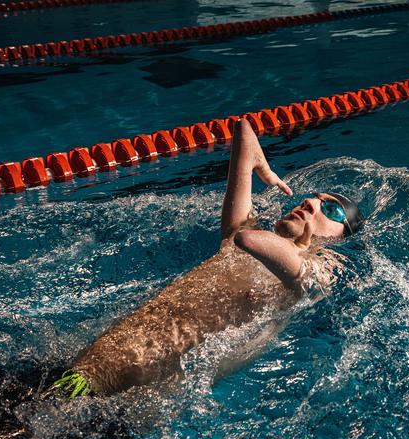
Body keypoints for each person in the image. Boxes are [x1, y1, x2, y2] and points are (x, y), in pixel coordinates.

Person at [53, 119, 364, 396]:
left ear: (339, 238)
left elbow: (250, 240)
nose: (310, 202)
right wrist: (261, 165)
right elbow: (243, 129)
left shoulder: (319, 275)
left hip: (119, 403)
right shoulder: (241, 239)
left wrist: (299, 244)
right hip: (86, 366)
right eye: (314, 197)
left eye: (331, 210)